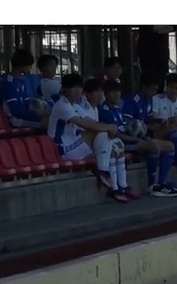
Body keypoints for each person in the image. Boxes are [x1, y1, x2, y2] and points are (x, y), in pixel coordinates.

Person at [47, 74, 129, 203]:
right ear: (65, 89)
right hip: (62, 148)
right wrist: (108, 128)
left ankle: (117, 187)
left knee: (113, 145)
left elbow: (90, 121)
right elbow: (84, 124)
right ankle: (103, 171)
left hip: (74, 144)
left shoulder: (76, 106)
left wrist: (109, 127)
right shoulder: (62, 105)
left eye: (79, 88)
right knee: (100, 133)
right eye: (73, 88)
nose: (77, 91)